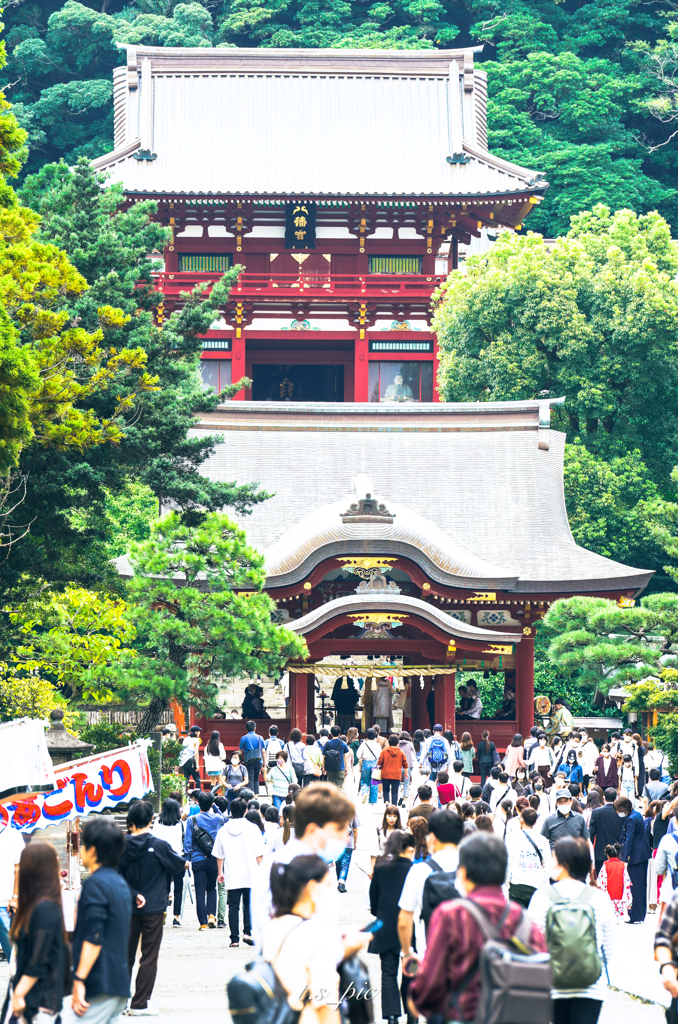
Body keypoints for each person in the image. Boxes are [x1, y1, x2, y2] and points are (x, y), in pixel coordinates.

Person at [408, 833, 546, 1023]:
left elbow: (429, 988)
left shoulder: (450, 915)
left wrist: (415, 993)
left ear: (462, 873)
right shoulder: (524, 920)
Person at [251, 782, 356, 942]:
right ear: (314, 829)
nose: (346, 836)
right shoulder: (292, 868)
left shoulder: (314, 865)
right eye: (339, 828)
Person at [527, 837, 614, 1024]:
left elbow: (533, 945)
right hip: (591, 986)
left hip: (552, 984)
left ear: (562, 864)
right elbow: (607, 949)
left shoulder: (542, 897)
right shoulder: (599, 899)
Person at [260, 856, 349, 1024]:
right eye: (327, 885)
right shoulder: (315, 933)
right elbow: (325, 1004)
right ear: (312, 888)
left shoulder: (274, 925)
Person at [119, 799, 186, 1014]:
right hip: (154, 907)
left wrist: (132, 894)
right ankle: (140, 1003)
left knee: (125, 955)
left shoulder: (119, 847)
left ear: (129, 820)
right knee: (149, 955)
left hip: (126, 907)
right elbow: (177, 866)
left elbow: (114, 875)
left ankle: (119, 1002)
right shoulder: (158, 846)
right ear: (151, 819)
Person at [63, 818, 133, 1024]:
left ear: (92, 851)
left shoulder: (95, 885)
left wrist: (79, 979)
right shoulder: (120, 884)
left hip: (99, 983)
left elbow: (94, 936)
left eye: (84, 845)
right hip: (118, 982)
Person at [5, 842, 68, 1024]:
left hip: (37, 1000)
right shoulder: (37, 905)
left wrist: (19, 994)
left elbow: (38, 959)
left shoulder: (45, 908)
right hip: (31, 996)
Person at [398, 811, 463, 957]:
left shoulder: (419, 870)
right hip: (466, 959)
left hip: (430, 957)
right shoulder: (472, 868)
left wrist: (407, 953)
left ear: (432, 838)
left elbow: (404, 920)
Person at [369, 831, 415, 1024]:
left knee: (388, 973)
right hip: (411, 929)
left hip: (386, 926)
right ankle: (412, 1015)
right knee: (411, 972)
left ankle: (392, 1016)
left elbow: (373, 900)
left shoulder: (380, 869)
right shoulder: (415, 870)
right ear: (409, 849)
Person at [214, 797, 264, 947]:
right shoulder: (253, 828)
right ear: (246, 811)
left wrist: (220, 872)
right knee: (249, 904)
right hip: (251, 873)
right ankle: (247, 933)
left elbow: (219, 854)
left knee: (233, 906)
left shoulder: (223, 830)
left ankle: (234, 939)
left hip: (232, 873)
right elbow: (259, 854)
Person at [184, 790, 225, 930]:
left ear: (198, 803)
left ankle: (202, 923)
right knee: (212, 888)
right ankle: (211, 915)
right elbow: (222, 817)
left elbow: (188, 840)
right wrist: (215, 806)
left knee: (200, 890)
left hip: (197, 859)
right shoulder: (217, 819)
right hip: (213, 857)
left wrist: (187, 858)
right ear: (211, 804)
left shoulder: (192, 820)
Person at [616, 794, 652, 923]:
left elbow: (629, 840)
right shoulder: (637, 814)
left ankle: (635, 915)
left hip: (635, 857)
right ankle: (640, 913)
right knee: (641, 885)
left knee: (635, 886)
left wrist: (625, 859)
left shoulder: (631, 819)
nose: (618, 812)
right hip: (642, 854)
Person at [506, 806, 551, 907]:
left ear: (521, 820)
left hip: (517, 885)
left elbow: (508, 861)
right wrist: (541, 879)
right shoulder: (543, 840)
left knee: (517, 920)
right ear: (535, 822)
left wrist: (507, 883)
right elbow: (549, 866)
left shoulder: (511, 837)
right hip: (536, 886)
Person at [151, 797, 185, 928]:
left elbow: (153, 840)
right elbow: (184, 842)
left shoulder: (158, 822)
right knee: (178, 889)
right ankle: (176, 917)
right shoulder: (180, 823)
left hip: (162, 859)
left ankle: (163, 910)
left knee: (163, 888)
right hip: (178, 858)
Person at [0, 813, 24, 963]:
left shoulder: (13, 834)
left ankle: (18, 983)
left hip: (5, 904)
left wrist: (15, 897)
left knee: (12, 952)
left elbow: (19, 868)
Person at [588, 787, 624, 878]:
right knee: (616, 879)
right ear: (616, 798)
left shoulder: (596, 812)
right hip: (618, 851)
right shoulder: (622, 814)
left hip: (601, 852)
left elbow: (592, 833)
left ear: (604, 798)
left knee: (601, 879)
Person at [597, 843, 631, 920]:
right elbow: (627, 881)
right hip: (619, 891)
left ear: (608, 855)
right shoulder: (622, 865)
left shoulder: (606, 864)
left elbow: (601, 880)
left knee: (608, 907)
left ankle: (611, 918)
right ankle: (616, 918)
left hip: (608, 891)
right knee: (617, 906)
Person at [370, 804, 404, 875]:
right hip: (382, 864)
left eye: (394, 816)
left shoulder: (402, 832)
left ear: (397, 818)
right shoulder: (379, 831)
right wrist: (371, 869)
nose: (392, 819)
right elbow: (374, 851)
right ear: (385, 816)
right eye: (389, 816)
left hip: (397, 865)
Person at [377, 734, 408, 806]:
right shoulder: (401, 752)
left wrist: (378, 768)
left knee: (385, 790)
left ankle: (387, 802)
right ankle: (394, 805)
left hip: (385, 774)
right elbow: (405, 763)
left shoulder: (384, 751)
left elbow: (380, 762)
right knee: (395, 792)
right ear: (398, 743)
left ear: (389, 742)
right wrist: (406, 773)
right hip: (396, 775)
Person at [239, 720, 265, 794]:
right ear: (255, 728)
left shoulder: (243, 738)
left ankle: (251, 795)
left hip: (248, 760)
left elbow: (240, 751)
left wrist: (239, 761)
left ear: (246, 728)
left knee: (250, 778)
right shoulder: (260, 737)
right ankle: (256, 795)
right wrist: (264, 763)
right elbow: (263, 751)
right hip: (259, 760)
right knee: (256, 779)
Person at [336, 812, 360, 894]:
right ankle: (341, 882)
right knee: (345, 864)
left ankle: (340, 880)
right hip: (348, 843)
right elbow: (355, 829)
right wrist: (355, 842)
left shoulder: (333, 810)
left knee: (338, 862)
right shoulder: (352, 812)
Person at [357, 728, 382, 805]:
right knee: (374, 782)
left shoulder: (364, 744)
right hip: (374, 763)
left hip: (365, 763)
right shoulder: (377, 745)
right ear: (375, 735)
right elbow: (379, 755)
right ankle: (372, 801)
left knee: (364, 780)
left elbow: (358, 755)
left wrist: (361, 758)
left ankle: (365, 792)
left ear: (367, 735)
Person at [398, 731, 416, 803]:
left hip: (398, 766)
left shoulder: (397, 743)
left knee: (397, 783)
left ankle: (399, 795)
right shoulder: (410, 744)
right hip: (408, 765)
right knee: (406, 783)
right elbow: (414, 754)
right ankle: (405, 801)